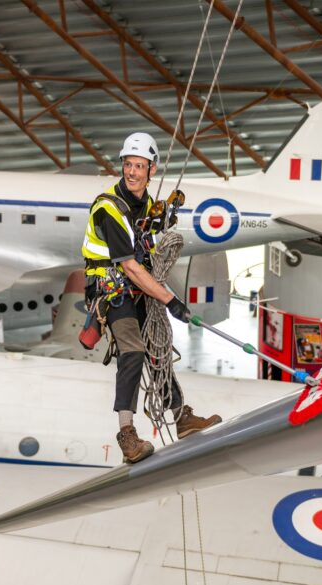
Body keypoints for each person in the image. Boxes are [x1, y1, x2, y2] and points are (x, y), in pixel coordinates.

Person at [82, 132, 221, 464]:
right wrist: (171, 300)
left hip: (136, 286)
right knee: (133, 349)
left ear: (151, 170)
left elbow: (144, 246)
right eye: (128, 165)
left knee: (157, 350)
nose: (132, 172)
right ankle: (126, 433)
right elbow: (129, 266)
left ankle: (180, 416)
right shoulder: (108, 209)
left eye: (139, 166)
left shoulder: (143, 205)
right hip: (111, 289)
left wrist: (159, 221)